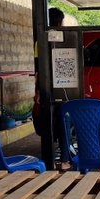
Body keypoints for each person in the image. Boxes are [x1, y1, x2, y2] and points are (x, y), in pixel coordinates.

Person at [33, 7, 65, 136]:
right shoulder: (63, 38)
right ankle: (63, 148)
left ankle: (53, 141)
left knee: (50, 118)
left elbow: (38, 68)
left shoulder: (39, 41)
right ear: (58, 22)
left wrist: (38, 90)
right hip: (61, 85)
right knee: (62, 118)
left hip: (46, 86)